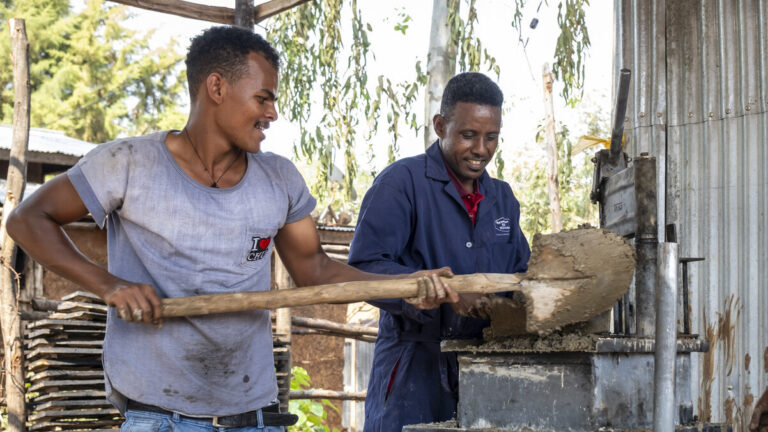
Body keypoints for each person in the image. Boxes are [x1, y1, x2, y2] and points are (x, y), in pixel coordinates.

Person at [7, 26, 454, 432]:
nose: (273, 113)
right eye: (263, 98)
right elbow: (27, 219)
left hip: (253, 417)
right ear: (216, 87)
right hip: (158, 416)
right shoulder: (127, 164)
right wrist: (109, 285)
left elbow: (315, 270)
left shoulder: (279, 180)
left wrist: (407, 284)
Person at [347, 72, 531, 431]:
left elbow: (520, 274)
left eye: (491, 137)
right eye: (468, 135)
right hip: (414, 367)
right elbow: (363, 269)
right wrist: (435, 291)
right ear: (439, 125)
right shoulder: (402, 183)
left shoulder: (503, 199)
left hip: (484, 367)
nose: (481, 149)